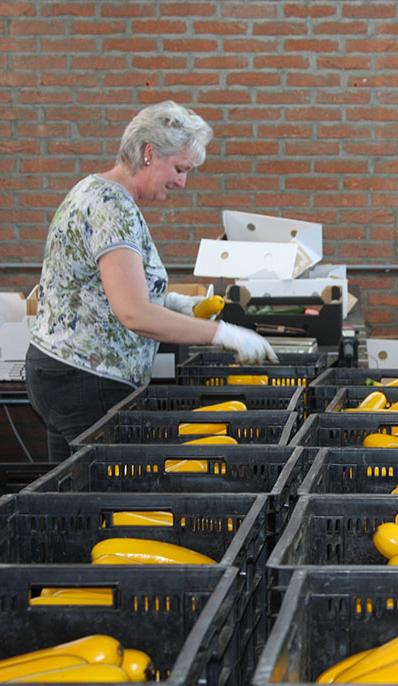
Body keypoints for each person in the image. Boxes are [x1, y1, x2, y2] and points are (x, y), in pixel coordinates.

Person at [26, 100, 277, 461]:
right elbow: (134, 314)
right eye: (178, 168)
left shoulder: (93, 191)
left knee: (67, 495)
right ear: (149, 153)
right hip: (88, 377)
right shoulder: (112, 209)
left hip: (61, 372)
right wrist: (222, 334)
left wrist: (175, 303)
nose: (182, 181)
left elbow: (104, 289)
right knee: (105, 498)